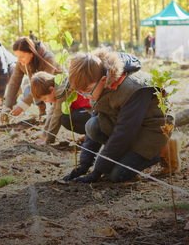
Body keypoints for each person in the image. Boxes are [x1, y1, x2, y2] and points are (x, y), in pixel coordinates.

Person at [63, 47, 176, 184]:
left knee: (117, 175)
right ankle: (126, 155)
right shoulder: (99, 84)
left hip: (154, 128)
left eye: (86, 91)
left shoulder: (132, 88)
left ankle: (161, 150)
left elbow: (123, 134)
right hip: (133, 125)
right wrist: (84, 164)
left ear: (104, 80)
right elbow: (99, 121)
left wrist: (96, 172)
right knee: (92, 126)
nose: (86, 96)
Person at [1, 37, 62, 122]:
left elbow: (43, 84)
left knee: (37, 90)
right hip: (42, 88)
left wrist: (23, 105)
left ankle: (55, 114)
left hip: (57, 88)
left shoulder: (48, 58)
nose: (19, 60)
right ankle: (43, 111)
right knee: (28, 91)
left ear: (31, 53)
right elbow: (14, 82)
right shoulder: (21, 63)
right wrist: (7, 106)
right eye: (17, 56)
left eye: (21, 56)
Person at [30, 71, 92, 144]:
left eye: (45, 99)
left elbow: (56, 117)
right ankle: (89, 134)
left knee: (65, 119)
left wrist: (49, 140)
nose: (45, 102)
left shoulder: (62, 92)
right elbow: (51, 113)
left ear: (51, 89)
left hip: (93, 110)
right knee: (65, 117)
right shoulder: (58, 88)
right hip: (84, 109)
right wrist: (44, 135)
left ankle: (92, 134)